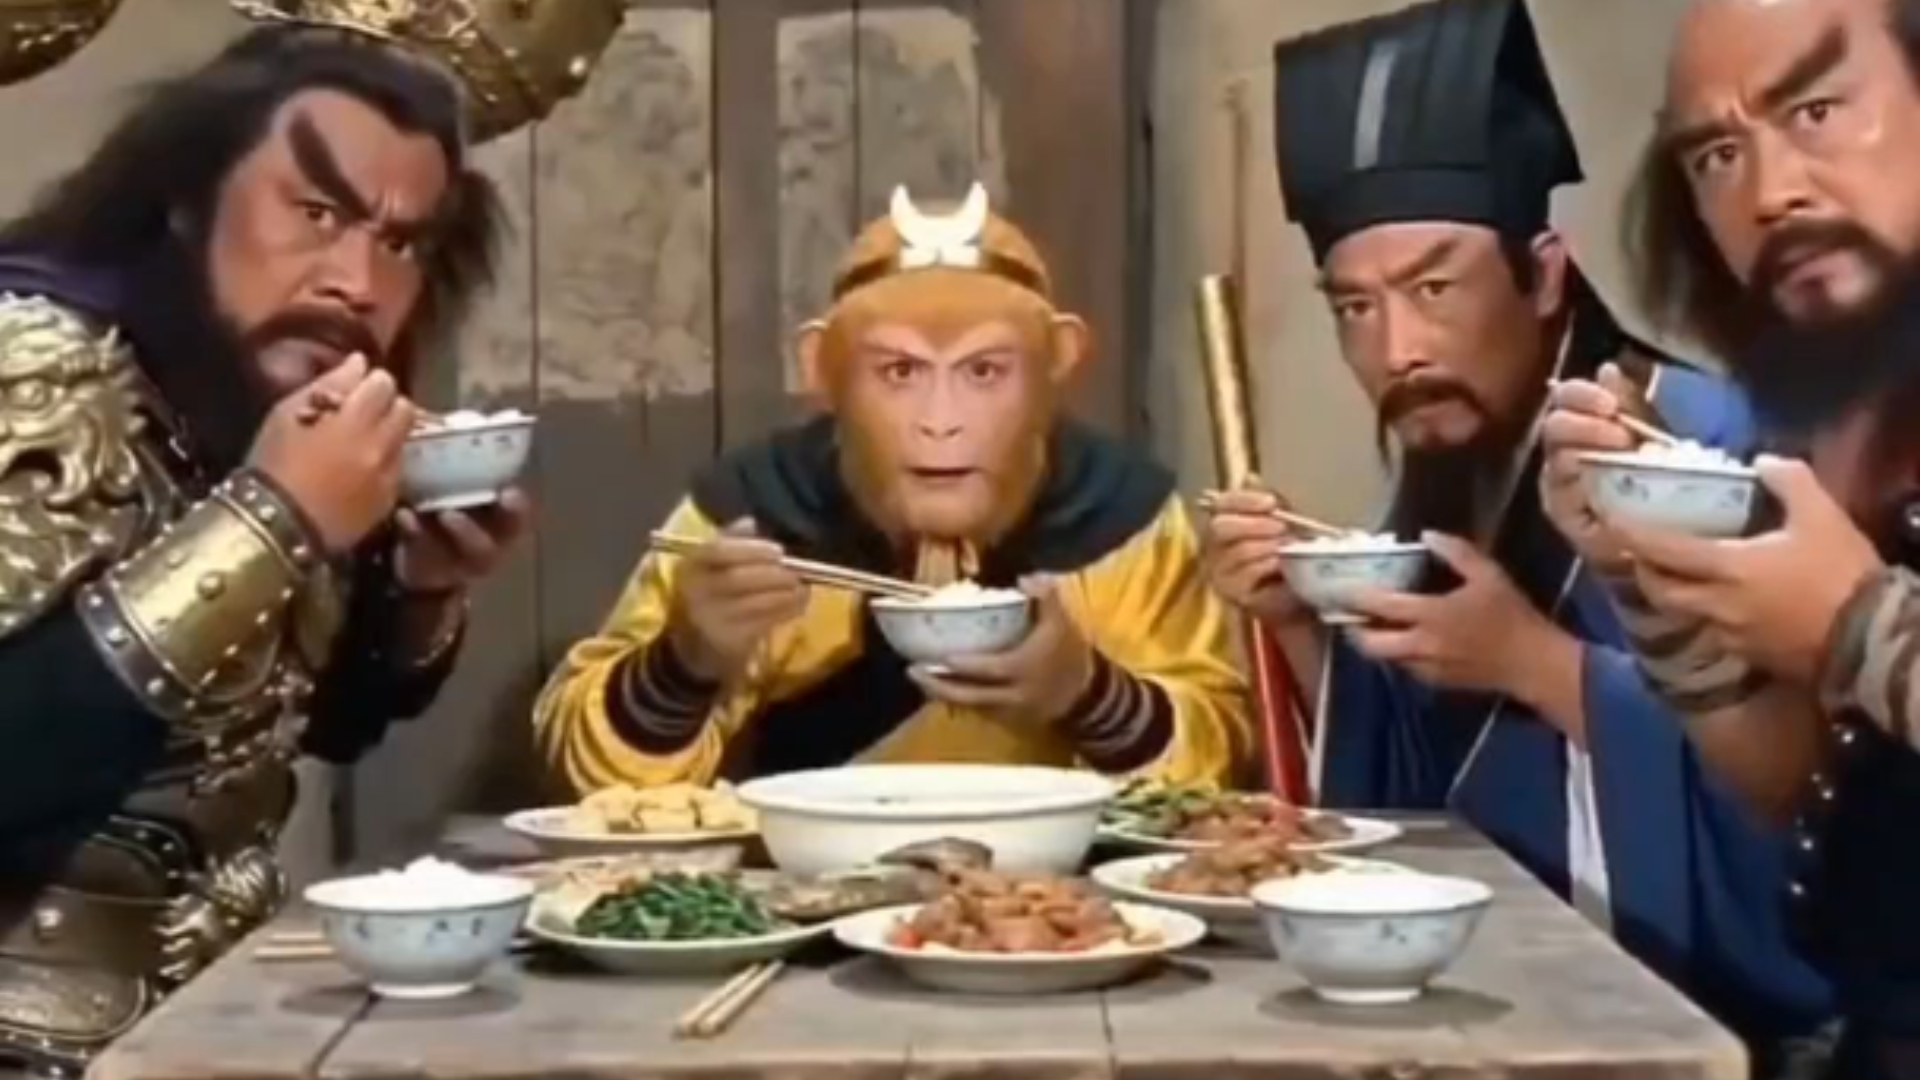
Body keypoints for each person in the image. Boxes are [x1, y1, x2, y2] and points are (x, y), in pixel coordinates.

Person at [1201, 0, 1833, 1063]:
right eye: (1354, 308)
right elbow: (1410, 783)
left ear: (1543, 273)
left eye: (1432, 286)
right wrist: (1300, 623)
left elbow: (1797, 792)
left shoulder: (1699, 453)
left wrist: (1536, 664)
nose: (1398, 350)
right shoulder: (1448, 474)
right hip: (1494, 1008)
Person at [0, 1, 621, 1071]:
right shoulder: (34, 369)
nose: (358, 284)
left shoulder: (257, 394)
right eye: (317, 211)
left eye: (401, 243)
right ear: (186, 201)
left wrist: (419, 592)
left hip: (210, 1010)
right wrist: (275, 519)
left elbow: (293, 728)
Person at [534, 185, 1253, 791]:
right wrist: (683, 663)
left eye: (984, 372)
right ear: (822, 370)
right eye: (899, 372)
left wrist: (1089, 693)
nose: (940, 421)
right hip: (801, 884)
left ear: (1057, 363)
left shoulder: (1119, 515)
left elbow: (1218, 761)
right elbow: (591, 774)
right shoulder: (756, 514)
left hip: (1061, 891)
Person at [1540, 1, 1920, 1071]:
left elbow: (1864, 642)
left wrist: (1861, 627)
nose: (1767, 195)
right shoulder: (1844, 407)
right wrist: (1649, 572)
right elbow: (1795, 782)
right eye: (1715, 155)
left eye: (1815, 110)